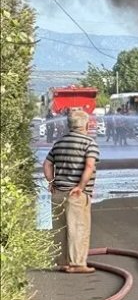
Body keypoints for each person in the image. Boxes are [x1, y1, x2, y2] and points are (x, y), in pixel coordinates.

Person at [42, 110, 100, 274]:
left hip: (58, 192)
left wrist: (52, 181)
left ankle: (61, 262)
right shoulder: (89, 143)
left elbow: (46, 164)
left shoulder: (59, 143)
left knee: (59, 228)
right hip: (76, 194)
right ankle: (77, 264)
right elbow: (89, 166)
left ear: (69, 126)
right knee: (78, 228)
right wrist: (81, 186)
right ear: (87, 125)